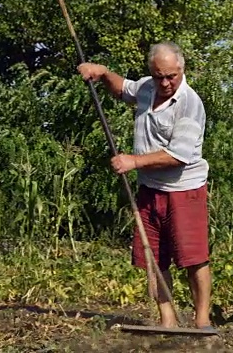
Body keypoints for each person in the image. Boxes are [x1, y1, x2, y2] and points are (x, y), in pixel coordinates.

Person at [77, 42, 214, 331]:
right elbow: (122, 88)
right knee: (154, 257)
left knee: (193, 257)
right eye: (158, 76)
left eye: (170, 76)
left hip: (184, 190)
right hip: (150, 190)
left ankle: (202, 323)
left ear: (181, 70)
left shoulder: (189, 103)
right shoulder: (147, 87)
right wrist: (102, 73)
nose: (164, 82)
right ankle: (168, 320)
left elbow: (178, 156)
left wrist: (133, 162)